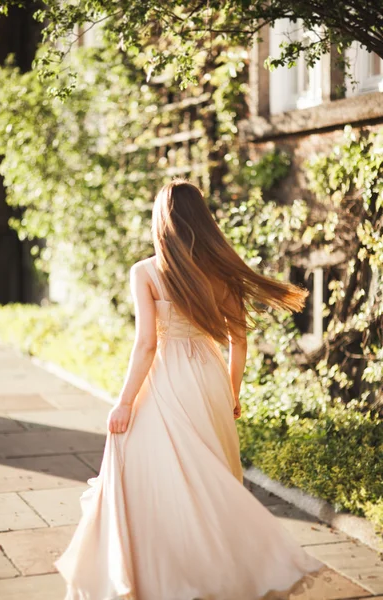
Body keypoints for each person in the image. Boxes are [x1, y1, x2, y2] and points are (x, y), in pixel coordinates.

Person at [54, 179, 324, 600]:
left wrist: (124, 402)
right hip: (210, 381)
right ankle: (219, 572)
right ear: (202, 218)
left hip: (166, 379)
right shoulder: (222, 270)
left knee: (148, 472)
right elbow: (239, 341)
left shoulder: (145, 271)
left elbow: (145, 345)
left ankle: (162, 575)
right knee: (211, 473)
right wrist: (232, 394)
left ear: (161, 219)